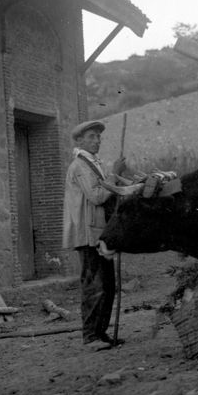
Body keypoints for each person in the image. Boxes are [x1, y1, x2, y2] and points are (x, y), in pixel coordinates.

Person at [62, 119, 131, 350]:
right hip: (87, 235)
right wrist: (114, 174)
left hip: (99, 233)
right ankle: (90, 337)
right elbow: (97, 197)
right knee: (94, 286)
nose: (97, 141)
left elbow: (106, 191)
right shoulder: (80, 166)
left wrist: (119, 179)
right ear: (79, 141)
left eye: (98, 137)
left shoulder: (94, 164)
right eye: (91, 137)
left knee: (108, 286)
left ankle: (100, 334)